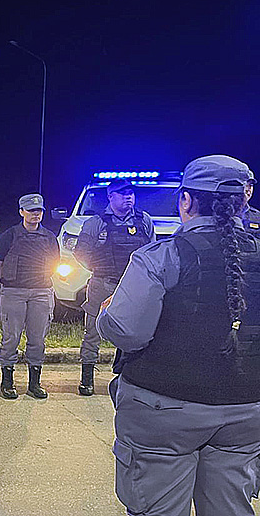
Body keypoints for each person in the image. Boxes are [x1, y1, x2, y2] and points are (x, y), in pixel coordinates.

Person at [98, 154, 260, 516]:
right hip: (247, 412)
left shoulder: (161, 256)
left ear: (185, 200)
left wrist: (106, 311)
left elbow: (128, 333)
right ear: (244, 200)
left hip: (164, 410)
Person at [72, 178, 155, 396]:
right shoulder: (96, 223)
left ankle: (128, 378)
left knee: (133, 333)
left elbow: (150, 251)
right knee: (93, 332)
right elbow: (80, 253)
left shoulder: (144, 220)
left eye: (131, 193)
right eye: (123, 193)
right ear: (111, 197)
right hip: (103, 284)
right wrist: (98, 267)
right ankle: (87, 379)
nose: (129, 197)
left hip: (133, 288)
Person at [0, 193, 60, 400]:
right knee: (11, 337)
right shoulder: (10, 235)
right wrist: (12, 281)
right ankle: (8, 382)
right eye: (31, 211)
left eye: (39, 211)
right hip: (14, 292)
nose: (35, 214)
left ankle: (34, 384)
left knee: (38, 339)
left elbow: (55, 263)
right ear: (21, 211)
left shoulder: (49, 237)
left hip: (41, 291)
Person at [242, 170, 260, 236]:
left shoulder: (257, 216)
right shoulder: (222, 212)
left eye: (251, 185)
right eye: (245, 184)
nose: (248, 189)